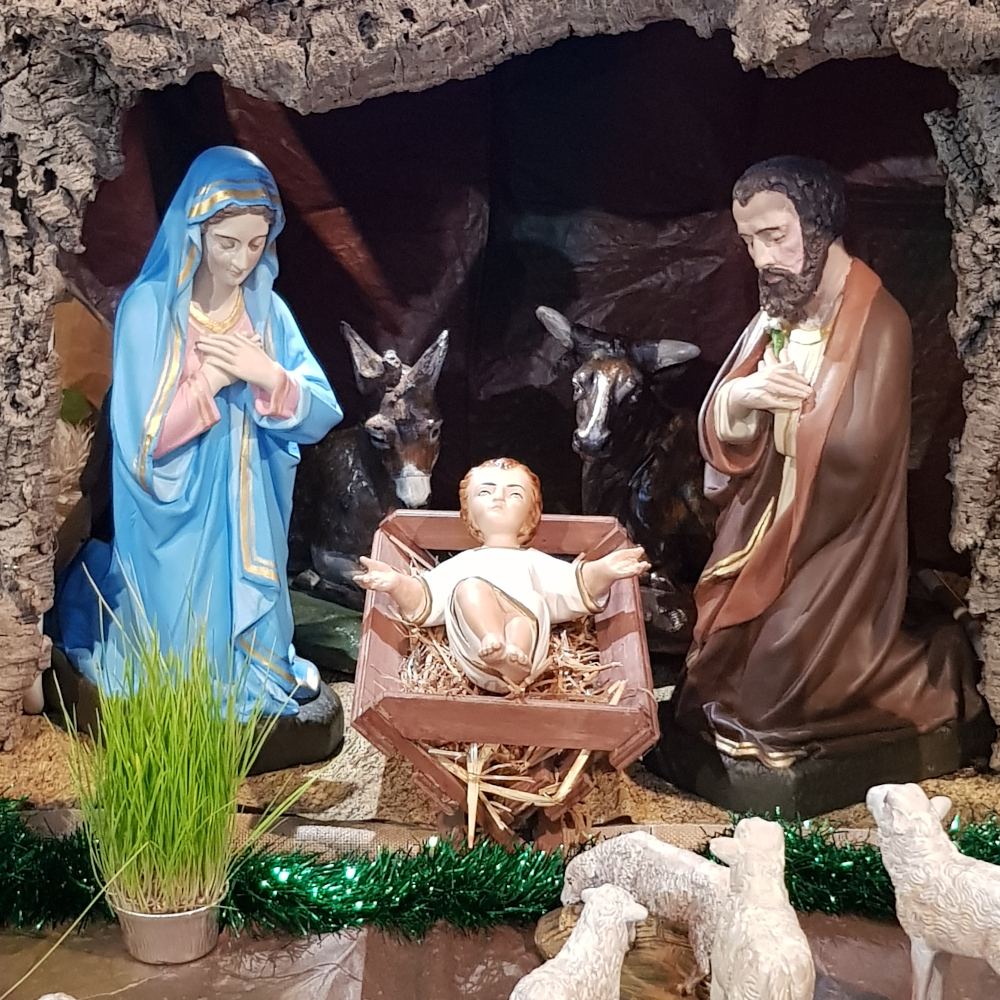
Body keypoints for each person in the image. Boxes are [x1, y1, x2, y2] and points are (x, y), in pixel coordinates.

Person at [671, 156, 984, 767]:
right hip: (767, 520)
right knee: (707, 675)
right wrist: (745, 399)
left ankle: (938, 665)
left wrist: (800, 419)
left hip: (837, 542)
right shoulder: (778, 313)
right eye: (749, 242)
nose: (761, 259)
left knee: (770, 700)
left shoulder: (881, 322)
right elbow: (721, 414)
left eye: (774, 236)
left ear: (820, 227)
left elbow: (864, 453)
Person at [56, 146, 343, 717]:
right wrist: (212, 378)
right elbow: (143, 440)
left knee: (254, 630)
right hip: (175, 515)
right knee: (183, 639)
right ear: (194, 232)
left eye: (256, 244)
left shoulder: (268, 314)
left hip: (253, 512)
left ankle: (255, 668)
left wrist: (269, 376)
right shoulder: (150, 311)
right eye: (227, 243)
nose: (242, 261)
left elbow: (321, 414)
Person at [354, 457, 649, 692]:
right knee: (469, 589)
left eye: (514, 493)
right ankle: (492, 640)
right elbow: (425, 598)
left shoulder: (533, 561)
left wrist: (605, 570)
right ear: (469, 511)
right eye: (486, 491)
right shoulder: (465, 563)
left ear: (531, 513)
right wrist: (396, 583)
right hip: (479, 653)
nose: (499, 498)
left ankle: (515, 657)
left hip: (526, 651)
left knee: (531, 603)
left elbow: (575, 585)